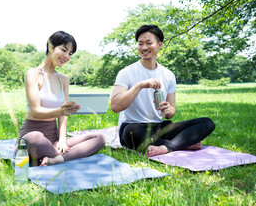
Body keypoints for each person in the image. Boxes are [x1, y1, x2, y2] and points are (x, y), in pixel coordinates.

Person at [110, 25, 215, 157]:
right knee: (132, 131)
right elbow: (115, 106)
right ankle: (180, 144)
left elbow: (171, 112)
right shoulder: (126, 73)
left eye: (149, 43)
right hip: (135, 127)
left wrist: (168, 109)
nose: (144, 47)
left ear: (159, 45)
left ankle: (165, 147)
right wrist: (139, 86)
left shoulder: (168, 75)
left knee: (207, 123)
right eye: (140, 43)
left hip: (159, 128)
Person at [16, 31, 105, 166]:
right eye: (64, 50)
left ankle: (57, 158)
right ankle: (68, 155)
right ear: (51, 47)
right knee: (33, 138)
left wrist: (62, 140)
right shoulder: (33, 74)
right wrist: (61, 111)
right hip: (33, 136)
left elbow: (63, 116)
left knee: (99, 137)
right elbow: (35, 111)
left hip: (54, 138)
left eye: (70, 53)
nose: (67, 56)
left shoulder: (63, 79)